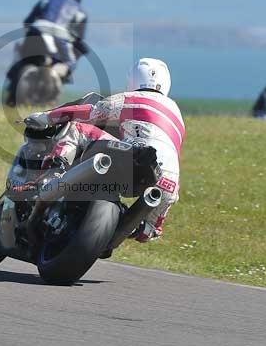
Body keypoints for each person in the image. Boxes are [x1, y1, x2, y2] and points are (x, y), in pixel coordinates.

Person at [24, 58, 185, 242]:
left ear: (132, 79)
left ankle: (51, 177)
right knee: (146, 232)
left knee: (76, 127)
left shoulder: (130, 98)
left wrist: (46, 118)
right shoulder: (177, 113)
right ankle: (136, 226)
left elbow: (90, 112)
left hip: (133, 157)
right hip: (168, 182)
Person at [4, 0, 89, 106]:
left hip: (36, 30)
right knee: (71, 63)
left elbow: (28, 21)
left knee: (21, 57)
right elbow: (79, 38)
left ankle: (12, 85)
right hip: (60, 38)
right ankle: (57, 75)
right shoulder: (81, 12)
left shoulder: (47, 0)